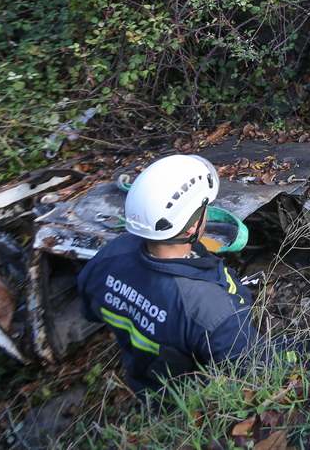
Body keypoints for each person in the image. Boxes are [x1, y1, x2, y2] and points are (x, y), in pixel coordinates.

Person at [77, 154, 260, 394]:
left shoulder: (110, 256)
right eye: (204, 207)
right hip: (187, 400)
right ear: (193, 226)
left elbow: (90, 310)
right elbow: (252, 372)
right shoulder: (211, 310)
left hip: (144, 380)